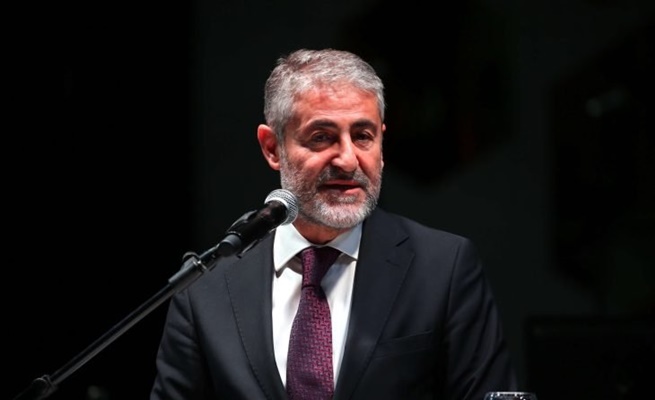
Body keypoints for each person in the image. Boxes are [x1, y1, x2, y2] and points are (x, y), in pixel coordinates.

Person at [150, 48, 517, 399]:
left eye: (363, 136)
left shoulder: (444, 268)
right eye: (322, 137)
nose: (347, 160)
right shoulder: (205, 287)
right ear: (272, 148)